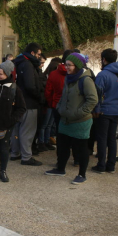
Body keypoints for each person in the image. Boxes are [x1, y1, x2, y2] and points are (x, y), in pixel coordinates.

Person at [45, 53, 98, 184]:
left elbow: (93, 100)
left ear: (78, 66)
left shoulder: (86, 80)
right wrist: (59, 107)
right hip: (65, 119)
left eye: (69, 65)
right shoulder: (69, 78)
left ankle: (82, 174)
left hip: (80, 121)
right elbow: (63, 96)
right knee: (62, 146)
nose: (66, 67)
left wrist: (78, 113)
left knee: (80, 148)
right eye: (66, 64)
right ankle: (60, 169)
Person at [92, 49, 118, 174]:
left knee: (102, 138)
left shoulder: (103, 75)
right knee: (111, 138)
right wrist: (117, 103)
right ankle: (111, 165)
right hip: (116, 110)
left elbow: (96, 94)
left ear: (104, 59)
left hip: (103, 110)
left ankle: (101, 165)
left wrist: (96, 109)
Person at [10, 43, 44, 166]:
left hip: (17, 101)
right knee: (27, 130)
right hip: (29, 102)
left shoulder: (18, 62)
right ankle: (26, 157)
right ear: (33, 53)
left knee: (16, 129)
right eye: (39, 54)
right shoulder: (28, 65)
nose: (40, 57)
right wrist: (39, 97)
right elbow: (30, 86)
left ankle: (15, 153)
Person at [39, 57, 63, 152]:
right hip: (48, 103)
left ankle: (46, 141)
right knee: (45, 124)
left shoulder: (49, 76)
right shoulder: (46, 76)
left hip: (52, 103)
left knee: (49, 124)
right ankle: (42, 142)